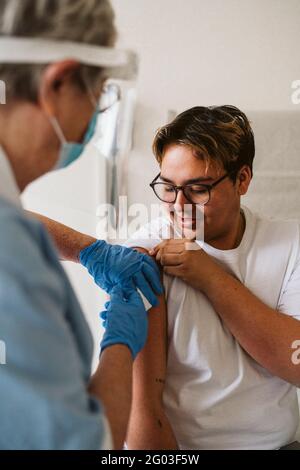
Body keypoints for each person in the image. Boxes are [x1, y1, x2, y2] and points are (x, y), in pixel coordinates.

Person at [0, 0, 162, 450]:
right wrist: (119, 344)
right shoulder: (12, 252)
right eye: (98, 96)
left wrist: (90, 248)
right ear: (58, 82)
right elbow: (86, 442)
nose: (93, 119)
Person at [124, 106, 300, 450]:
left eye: (198, 189)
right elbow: (142, 410)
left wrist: (209, 276)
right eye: (168, 187)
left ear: (243, 179)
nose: (179, 204)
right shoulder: (144, 253)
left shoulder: (291, 244)